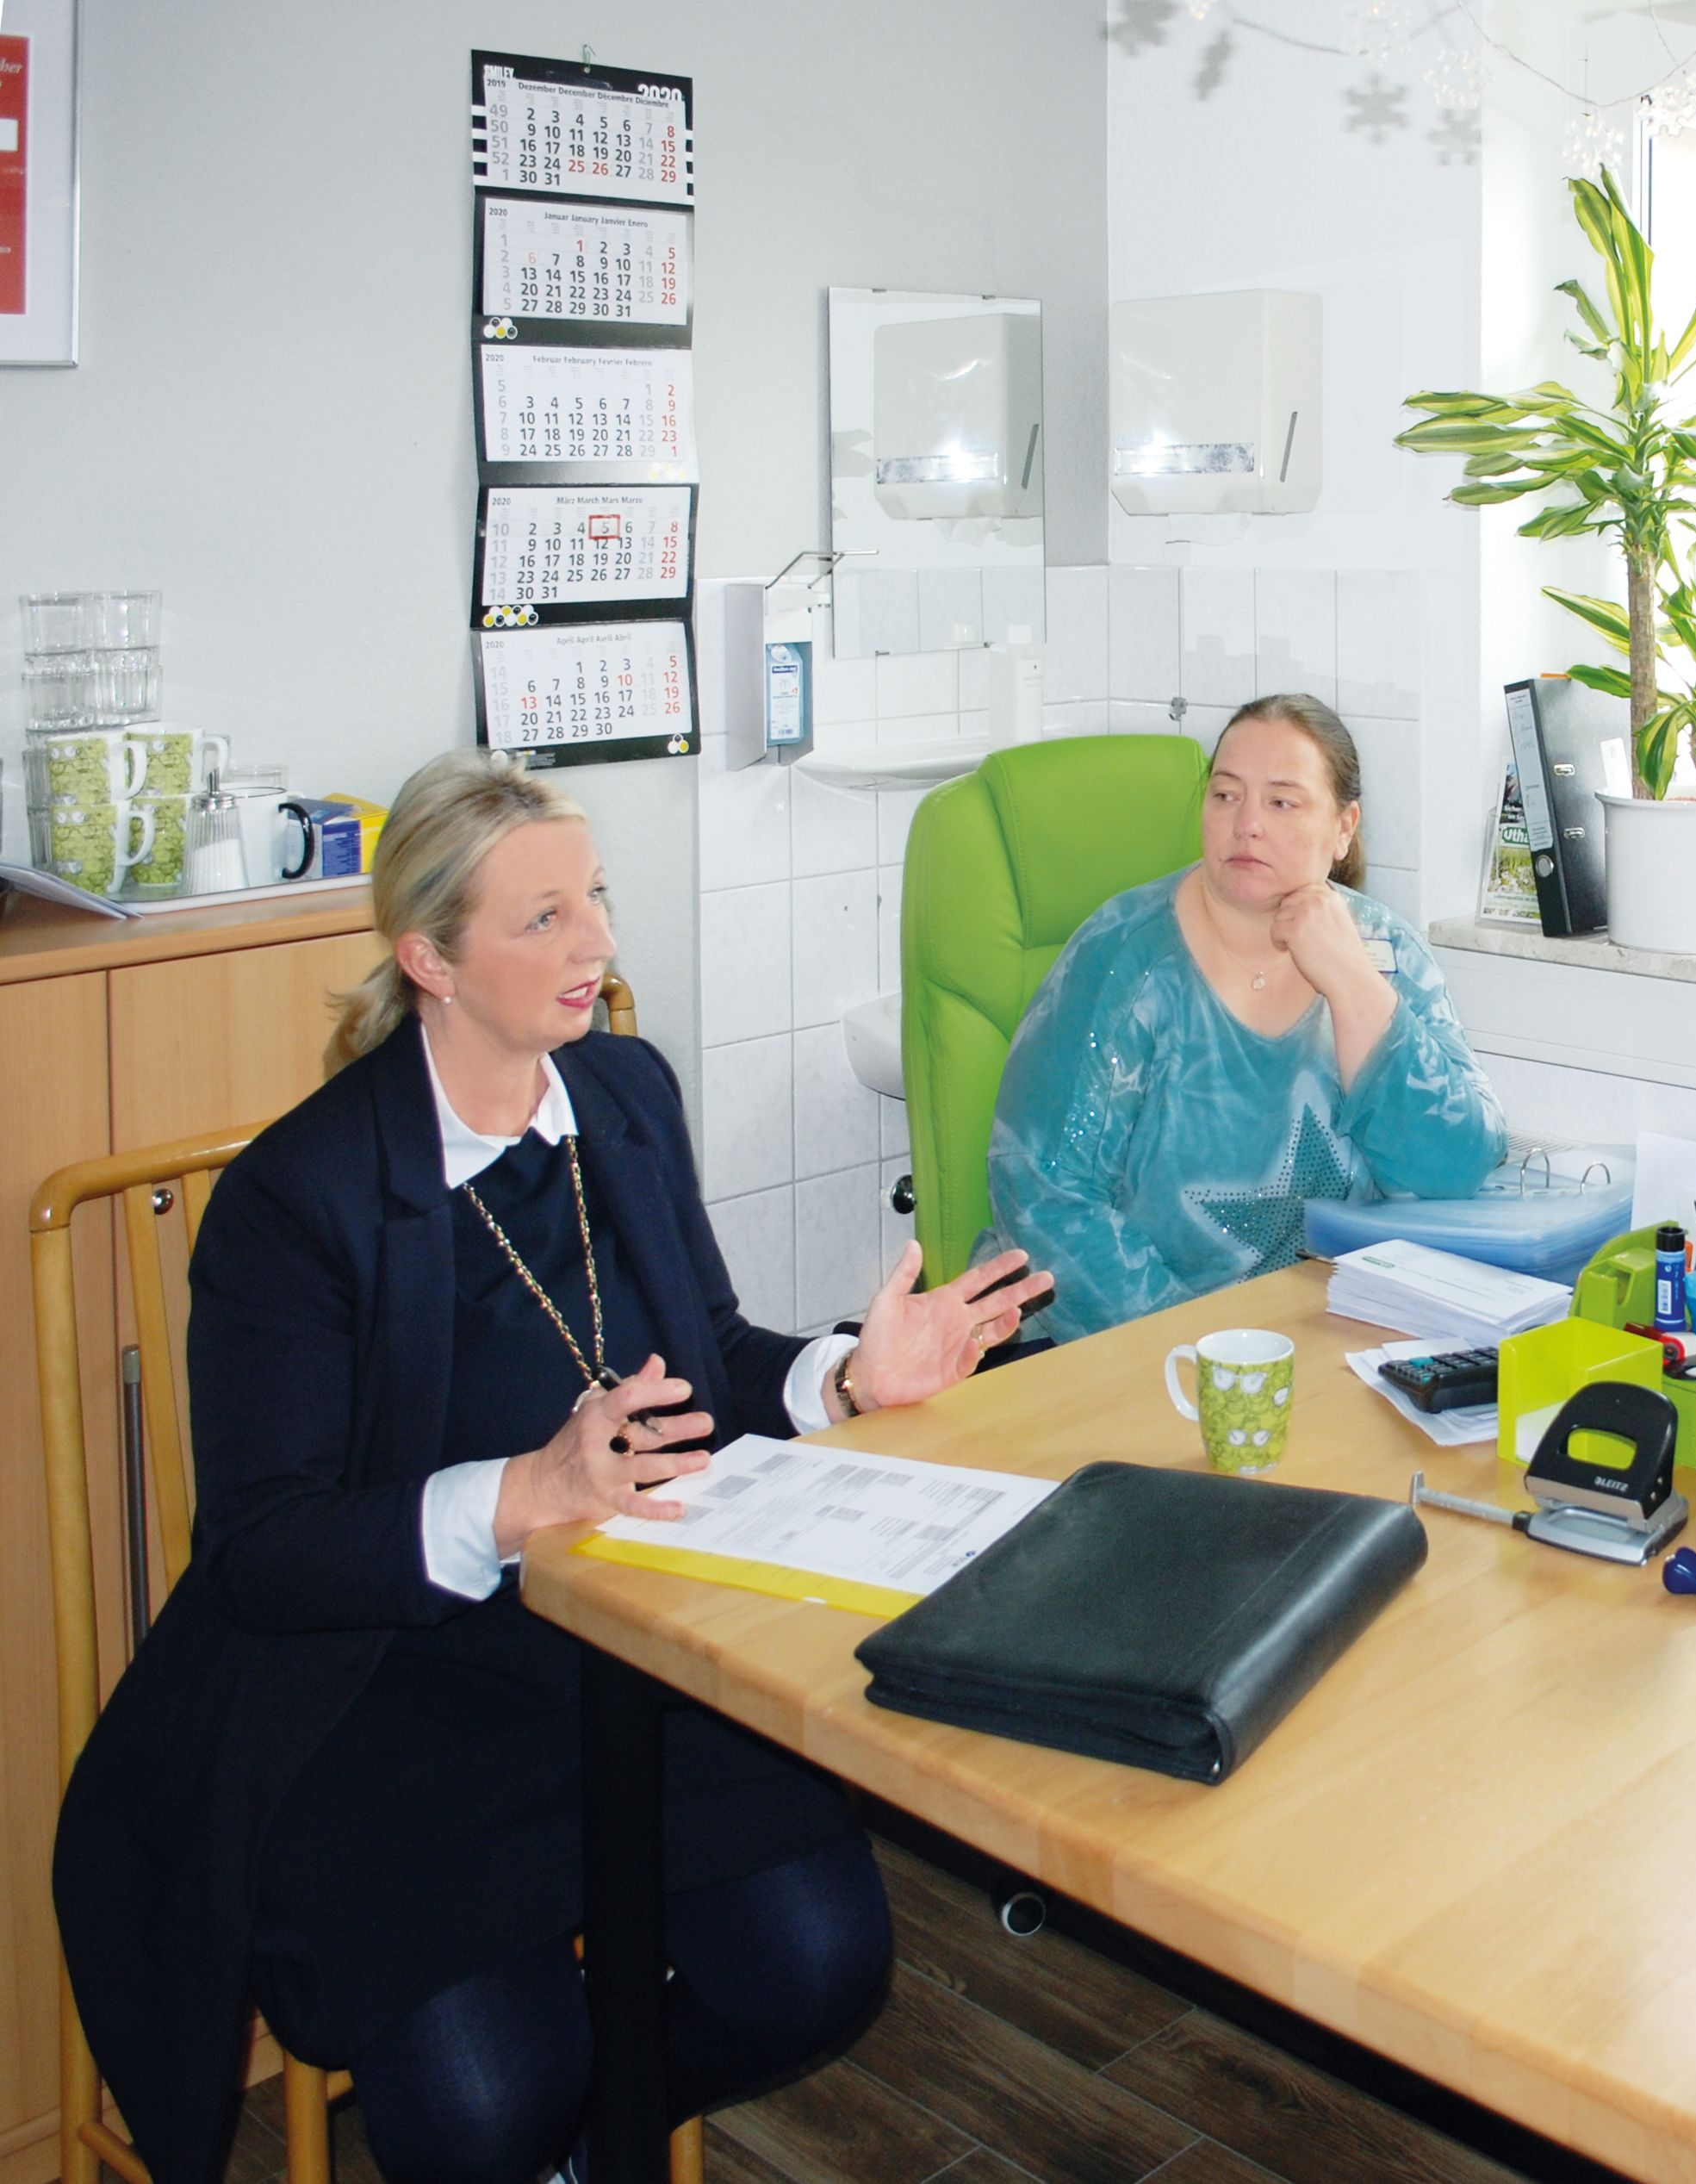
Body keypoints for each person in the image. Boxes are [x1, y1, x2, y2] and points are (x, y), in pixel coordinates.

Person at [55, 751, 1051, 2184]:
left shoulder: (624, 1097)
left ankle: (585, 2131)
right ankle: (558, 2114)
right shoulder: (302, 1198)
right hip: (385, 1692)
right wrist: (527, 1493)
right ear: (429, 960)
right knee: (480, 2102)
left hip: (621, 1648)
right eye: (542, 919)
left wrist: (840, 1377)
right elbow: (265, 1553)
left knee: (819, 1966)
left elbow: (704, 1347)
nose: (596, 944)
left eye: (594, 899)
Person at [985, 693, 1507, 1338]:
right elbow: (1044, 1198)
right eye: (1226, 795)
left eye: (1282, 801)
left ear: (1344, 827)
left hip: (1329, 1345)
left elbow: (1455, 1167)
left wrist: (1350, 983)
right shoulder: (1124, 956)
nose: (1246, 824)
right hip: (1122, 1353)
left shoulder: (1386, 952)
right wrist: (1209, 1359)